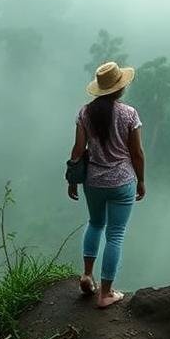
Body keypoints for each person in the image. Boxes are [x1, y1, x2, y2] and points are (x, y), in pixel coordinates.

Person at [68, 61, 146, 308]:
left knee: (95, 223)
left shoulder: (84, 113)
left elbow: (79, 150)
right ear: (119, 88)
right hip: (122, 181)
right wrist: (141, 180)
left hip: (93, 181)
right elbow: (137, 153)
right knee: (115, 235)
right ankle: (105, 294)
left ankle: (87, 275)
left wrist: (72, 179)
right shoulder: (129, 114)